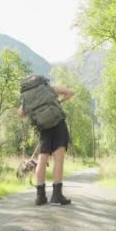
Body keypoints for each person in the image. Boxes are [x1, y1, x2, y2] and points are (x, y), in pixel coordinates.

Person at [18, 77, 74, 206]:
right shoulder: (49, 88)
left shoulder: (28, 97)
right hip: (58, 123)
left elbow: (20, 113)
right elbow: (70, 93)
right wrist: (58, 102)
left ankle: (40, 196)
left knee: (42, 159)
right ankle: (57, 195)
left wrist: (35, 110)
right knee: (58, 160)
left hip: (43, 127)